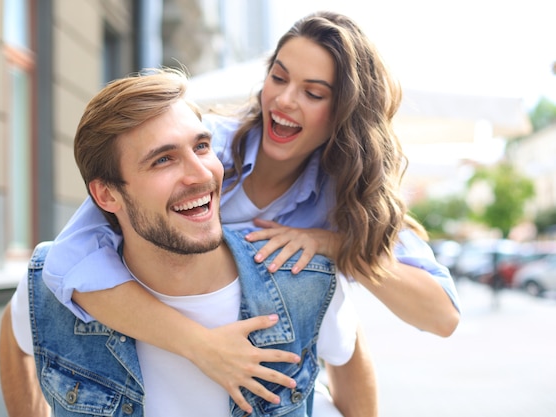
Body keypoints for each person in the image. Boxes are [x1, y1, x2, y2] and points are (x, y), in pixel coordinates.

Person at [36, 10, 460, 413]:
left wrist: (335, 244)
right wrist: (201, 346)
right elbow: (65, 261)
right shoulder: (204, 148)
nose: (285, 100)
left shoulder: (347, 195)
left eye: (313, 93)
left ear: (344, 113)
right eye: (278, 77)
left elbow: (440, 316)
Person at [0, 69, 361, 416]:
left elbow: (350, 362)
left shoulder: (305, 280)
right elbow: (15, 339)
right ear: (107, 195)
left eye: (202, 146)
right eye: (164, 159)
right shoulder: (50, 286)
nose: (202, 174)